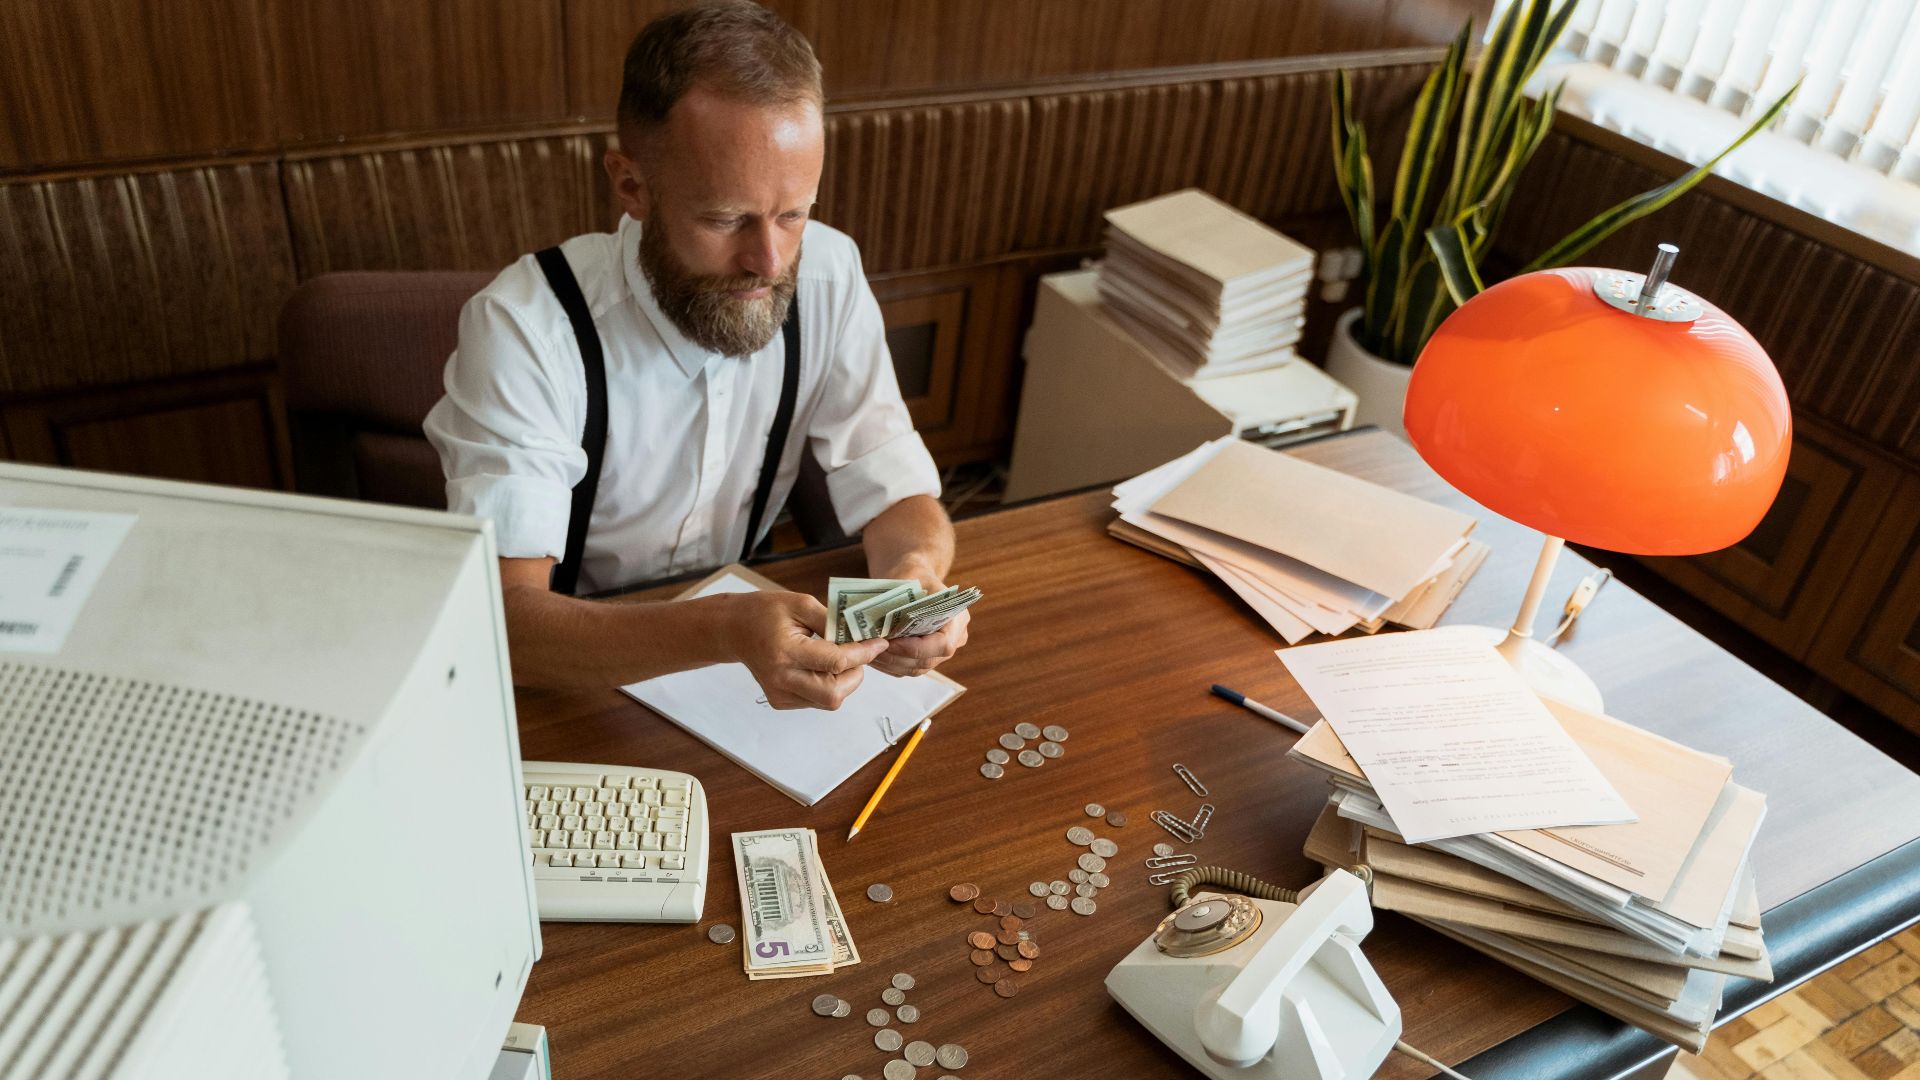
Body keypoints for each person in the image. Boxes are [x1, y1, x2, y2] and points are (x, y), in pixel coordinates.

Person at [425, 1, 967, 707]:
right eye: (724, 218)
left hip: (749, 669)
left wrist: (915, 574)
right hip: (564, 682)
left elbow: (897, 489)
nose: (767, 260)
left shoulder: (828, 272)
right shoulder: (524, 326)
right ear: (631, 186)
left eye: (793, 213)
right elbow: (504, 623)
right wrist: (720, 632)